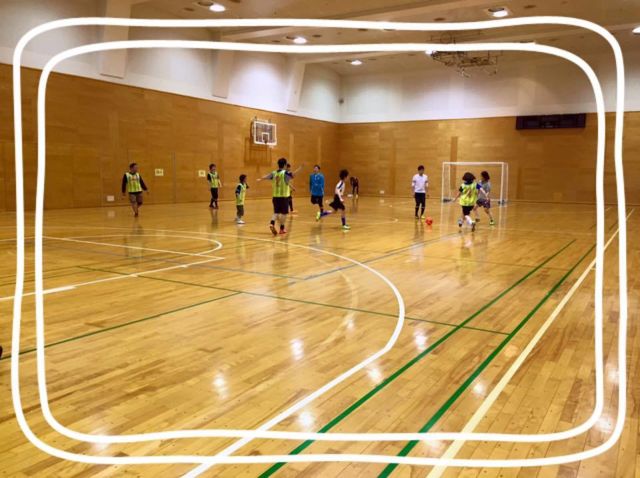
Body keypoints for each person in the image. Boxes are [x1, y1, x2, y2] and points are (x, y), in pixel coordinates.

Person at [258, 157, 291, 235]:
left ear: (278, 164)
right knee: (284, 213)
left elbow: (266, 177)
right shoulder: (285, 173)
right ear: (285, 165)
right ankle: (282, 229)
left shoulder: (274, 173)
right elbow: (289, 179)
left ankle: (272, 223)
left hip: (275, 197)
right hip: (284, 197)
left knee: (276, 212)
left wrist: (261, 179)